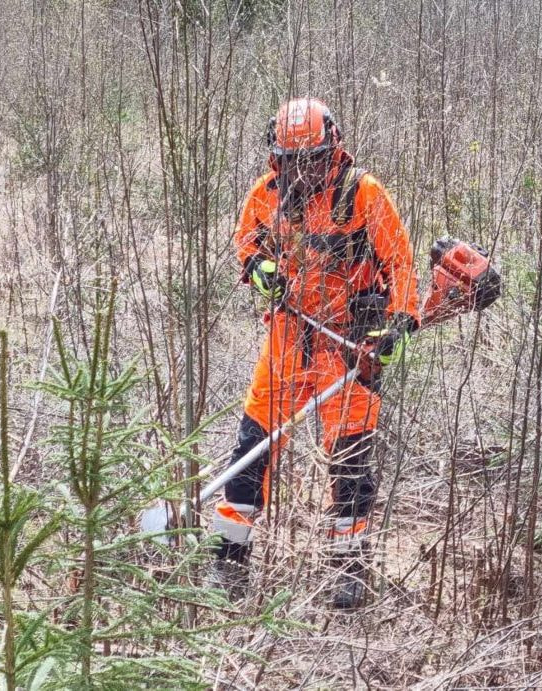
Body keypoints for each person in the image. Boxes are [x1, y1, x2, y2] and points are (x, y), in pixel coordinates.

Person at [212, 97, 420, 609]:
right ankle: (229, 557)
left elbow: (401, 264)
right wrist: (259, 268)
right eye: (291, 161)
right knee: (251, 449)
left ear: (333, 150)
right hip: (287, 339)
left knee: (350, 461)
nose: (302, 170)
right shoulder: (266, 194)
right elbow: (246, 242)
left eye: (311, 159)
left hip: (347, 345)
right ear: (277, 158)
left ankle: (348, 568)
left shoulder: (363, 193)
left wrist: (397, 324)